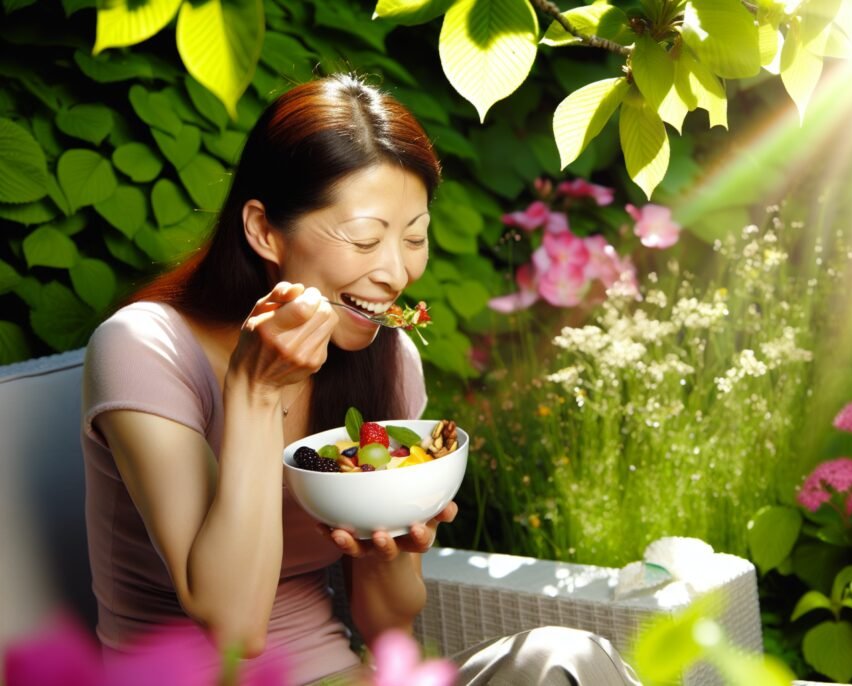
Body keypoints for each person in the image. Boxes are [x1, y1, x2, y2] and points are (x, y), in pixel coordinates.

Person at [81, 73, 641, 685]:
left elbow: (386, 628)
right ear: (264, 230)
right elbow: (233, 631)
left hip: (345, 674)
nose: (396, 273)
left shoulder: (387, 355)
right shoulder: (145, 346)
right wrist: (257, 394)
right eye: (366, 239)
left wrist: (391, 548)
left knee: (564, 660)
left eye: (414, 239)